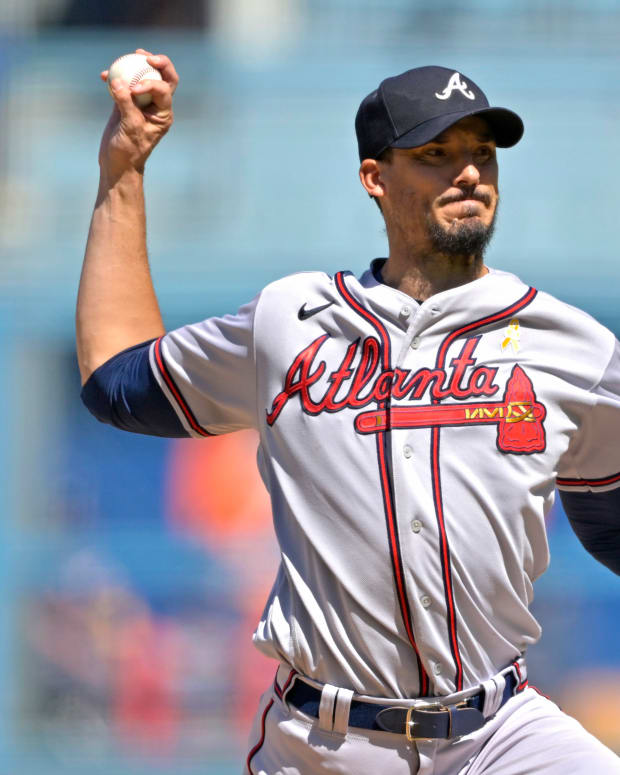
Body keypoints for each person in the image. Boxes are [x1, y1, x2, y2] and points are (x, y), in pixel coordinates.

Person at [77, 53, 620, 774]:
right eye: (435, 153)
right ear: (375, 177)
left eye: (482, 152)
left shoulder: (575, 346)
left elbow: (610, 520)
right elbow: (115, 380)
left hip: (501, 733)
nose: (468, 172)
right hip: (326, 742)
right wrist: (124, 170)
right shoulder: (289, 322)